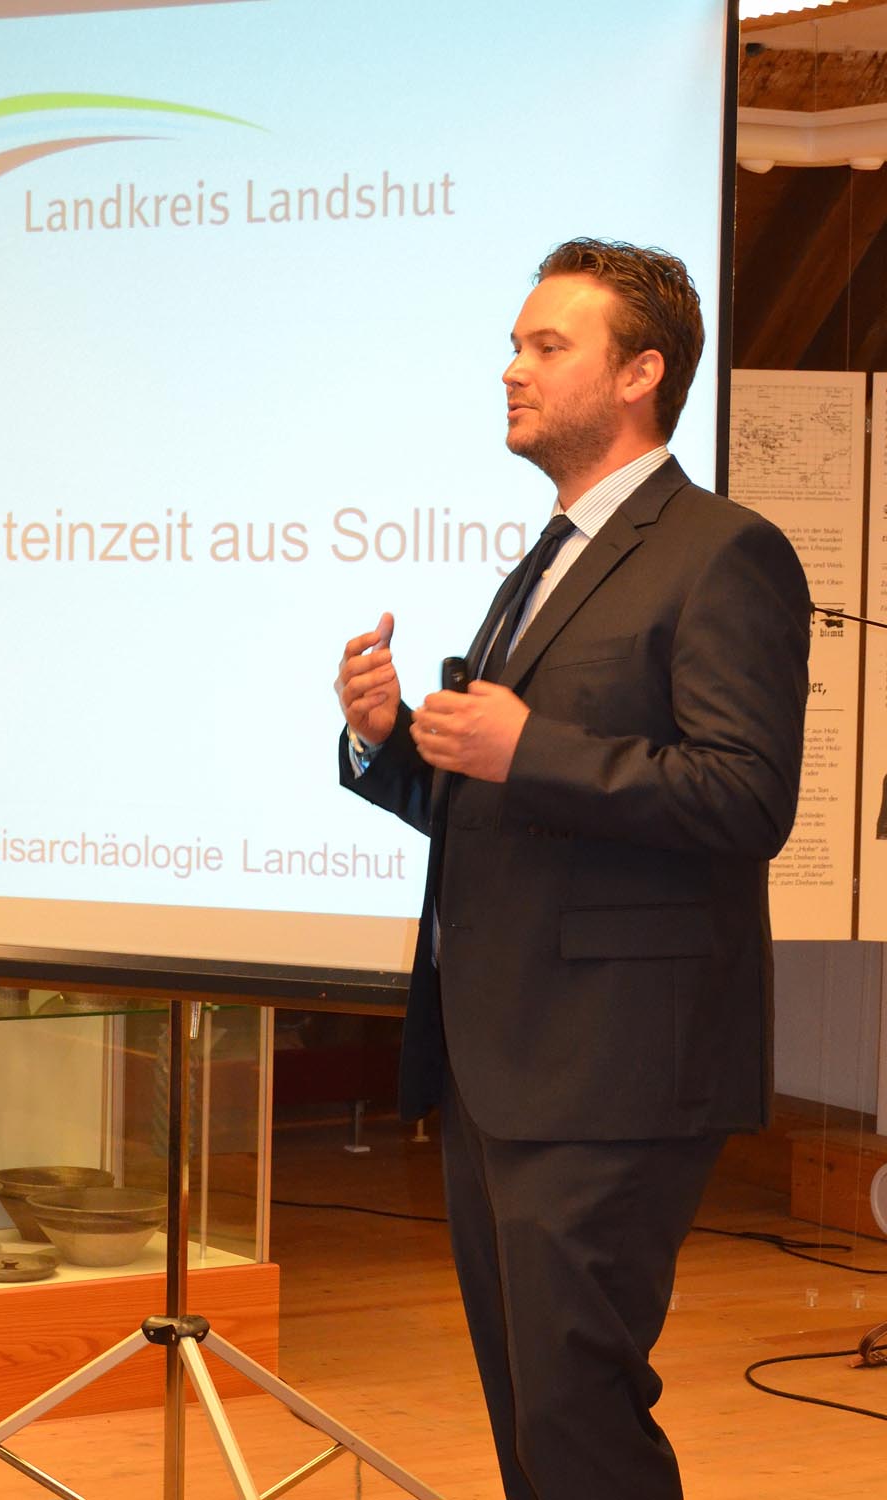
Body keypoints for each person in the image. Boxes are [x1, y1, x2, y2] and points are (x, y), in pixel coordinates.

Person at [334, 239, 810, 1500]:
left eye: (548, 346)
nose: (513, 367)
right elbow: (507, 813)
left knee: (578, 1416)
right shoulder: (549, 557)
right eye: (514, 344)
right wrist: (388, 745)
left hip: (616, 1066)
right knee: (534, 1421)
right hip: (504, 1060)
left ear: (641, 373)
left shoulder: (722, 551)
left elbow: (746, 796)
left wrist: (528, 746)